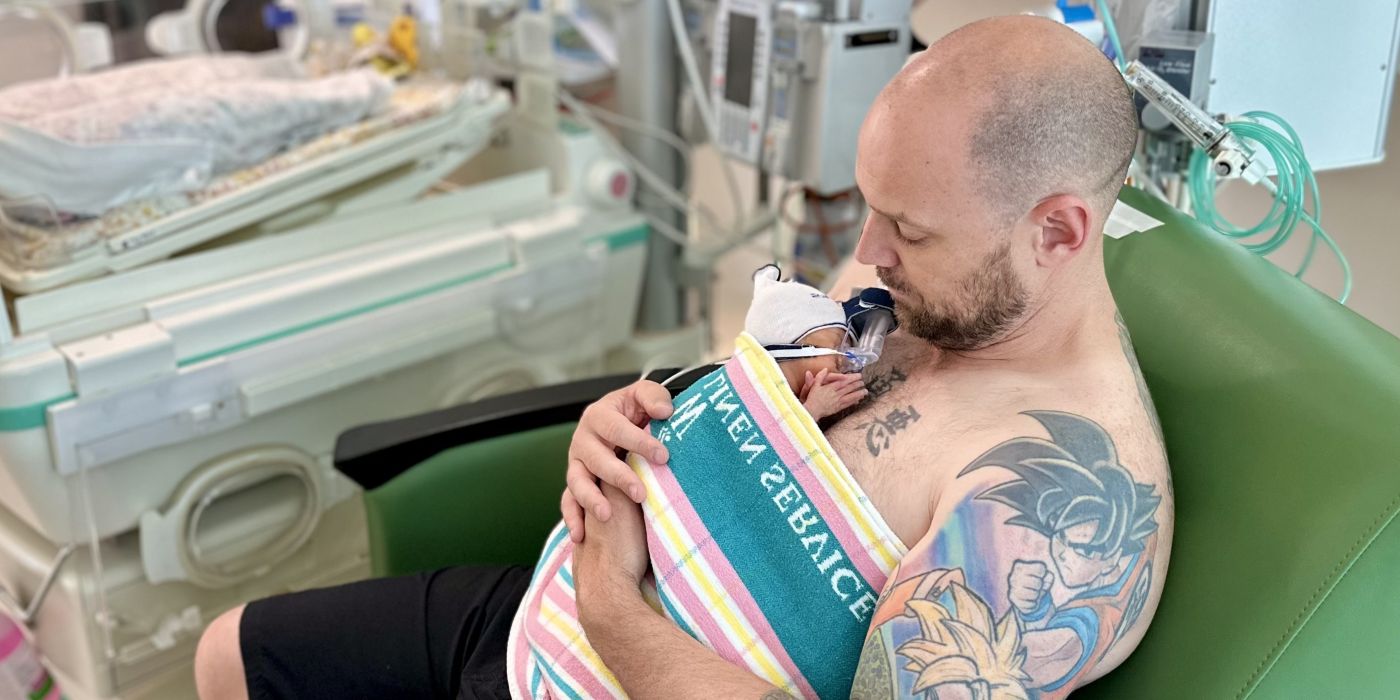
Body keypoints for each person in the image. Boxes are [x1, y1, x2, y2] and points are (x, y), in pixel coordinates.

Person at [193, 15, 1172, 700]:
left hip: (603, 623)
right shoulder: (926, 294)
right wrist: (632, 417)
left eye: (906, 229)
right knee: (225, 658)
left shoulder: (1047, 501)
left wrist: (610, 599)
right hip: (538, 616)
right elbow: (747, 393)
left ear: (1056, 230)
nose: (865, 253)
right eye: (870, 206)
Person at [743, 263, 869, 421]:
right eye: (839, 348)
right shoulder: (750, 390)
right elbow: (757, 440)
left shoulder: (787, 396)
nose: (849, 360)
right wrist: (813, 410)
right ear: (792, 351)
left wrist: (803, 407)